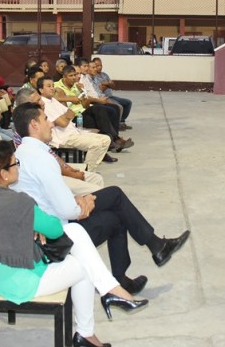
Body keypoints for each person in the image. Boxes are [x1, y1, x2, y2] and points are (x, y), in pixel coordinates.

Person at [0, 141, 147, 347]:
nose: (18, 167)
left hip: (2, 274)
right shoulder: (17, 202)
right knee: (84, 265)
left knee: (77, 235)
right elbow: (54, 229)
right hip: (24, 281)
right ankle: (92, 321)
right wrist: (36, 225)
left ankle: (109, 294)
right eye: (16, 163)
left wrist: (31, 227)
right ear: (4, 174)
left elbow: (7, 228)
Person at [12, 102, 190, 295]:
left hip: (44, 225)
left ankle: (139, 263)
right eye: (45, 119)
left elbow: (47, 196)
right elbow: (68, 211)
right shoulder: (41, 158)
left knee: (116, 211)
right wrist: (85, 203)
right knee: (115, 200)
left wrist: (77, 199)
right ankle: (152, 250)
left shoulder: (20, 154)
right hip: (56, 235)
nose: (51, 124)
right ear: (34, 124)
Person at [14, 87, 106, 195]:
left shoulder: (38, 118)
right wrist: (72, 174)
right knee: (96, 190)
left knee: (97, 178)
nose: (42, 102)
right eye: (38, 100)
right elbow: (47, 166)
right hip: (46, 179)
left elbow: (52, 155)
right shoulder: (28, 130)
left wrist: (69, 169)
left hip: (53, 168)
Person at [39, 76, 112, 170]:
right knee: (96, 144)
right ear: (41, 90)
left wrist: (65, 116)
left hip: (73, 132)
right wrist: (65, 116)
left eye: (53, 85)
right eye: (49, 86)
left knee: (106, 139)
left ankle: (89, 168)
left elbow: (71, 112)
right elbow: (63, 123)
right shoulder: (43, 104)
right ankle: (88, 171)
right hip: (63, 137)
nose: (52, 88)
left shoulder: (53, 100)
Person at [55, 65, 132, 152]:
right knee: (98, 109)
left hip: (83, 113)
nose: (74, 78)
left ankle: (115, 140)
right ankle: (115, 140)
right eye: (71, 76)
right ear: (64, 77)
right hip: (73, 117)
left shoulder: (76, 86)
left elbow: (85, 105)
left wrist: (82, 92)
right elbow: (50, 99)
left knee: (114, 108)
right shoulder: (56, 86)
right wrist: (69, 98)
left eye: (75, 75)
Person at [92, 57, 133, 130]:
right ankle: (116, 125)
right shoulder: (94, 77)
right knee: (118, 105)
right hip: (104, 97)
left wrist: (107, 84)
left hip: (111, 96)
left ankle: (121, 122)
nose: (99, 67)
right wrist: (108, 84)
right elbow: (100, 90)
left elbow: (113, 85)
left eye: (100, 65)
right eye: (97, 66)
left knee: (128, 102)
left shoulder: (104, 75)